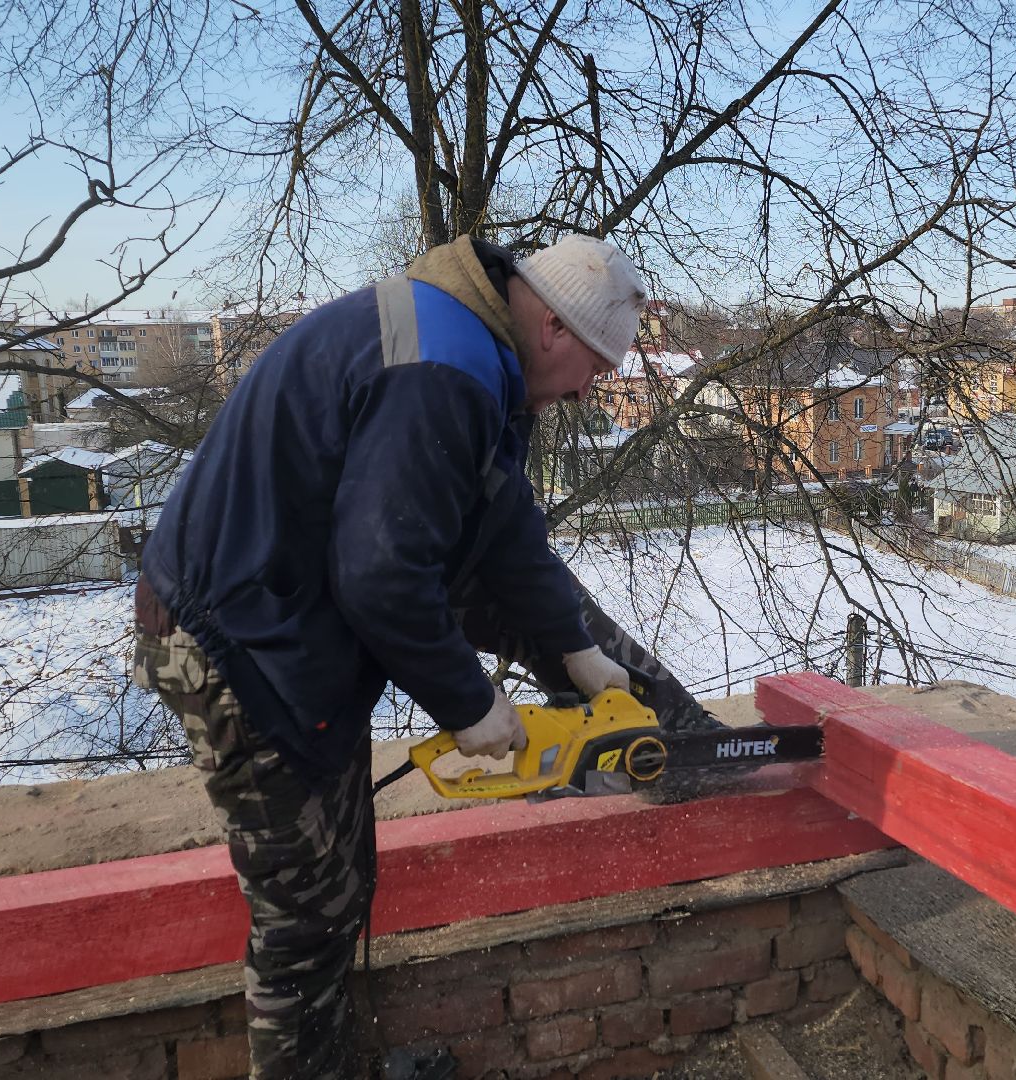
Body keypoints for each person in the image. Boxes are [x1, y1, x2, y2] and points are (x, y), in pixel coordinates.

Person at [131, 234, 709, 1079]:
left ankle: (678, 737)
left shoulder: (472, 344)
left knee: (340, 880)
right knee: (307, 910)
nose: (592, 390)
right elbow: (380, 577)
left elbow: (506, 533)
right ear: (552, 326)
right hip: (239, 639)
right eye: (596, 365)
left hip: (285, 609)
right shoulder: (446, 371)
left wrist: (577, 650)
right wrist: (468, 704)